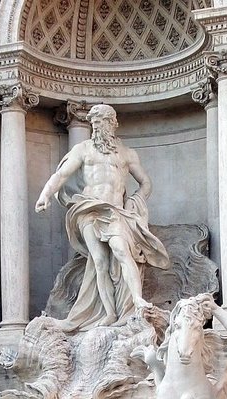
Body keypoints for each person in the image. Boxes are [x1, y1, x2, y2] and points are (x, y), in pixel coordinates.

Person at [34, 103, 170, 333]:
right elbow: (61, 174)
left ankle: (137, 300)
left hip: (115, 211)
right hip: (88, 208)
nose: (98, 127)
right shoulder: (83, 149)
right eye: (95, 123)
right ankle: (109, 313)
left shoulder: (127, 153)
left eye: (103, 122)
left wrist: (134, 201)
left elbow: (146, 183)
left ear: (113, 123)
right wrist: (44, 195)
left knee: (121, 250)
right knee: (99, 261)